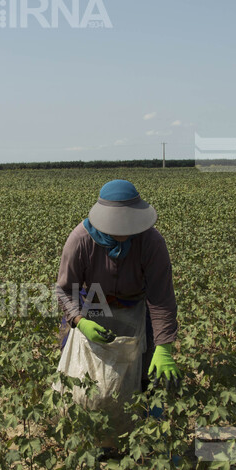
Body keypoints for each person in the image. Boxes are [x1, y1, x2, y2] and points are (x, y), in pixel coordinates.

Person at [54, 179, 182, 446]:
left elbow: (161, 297)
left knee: (148, 374)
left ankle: (148, 437)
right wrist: (79, 321)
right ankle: (85, 435)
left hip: (136, 305)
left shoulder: (151, 242)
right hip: (92, 302)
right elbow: (65, 290)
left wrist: (164, 346)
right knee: (82, 372)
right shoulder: (81, 240)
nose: (123, 231)